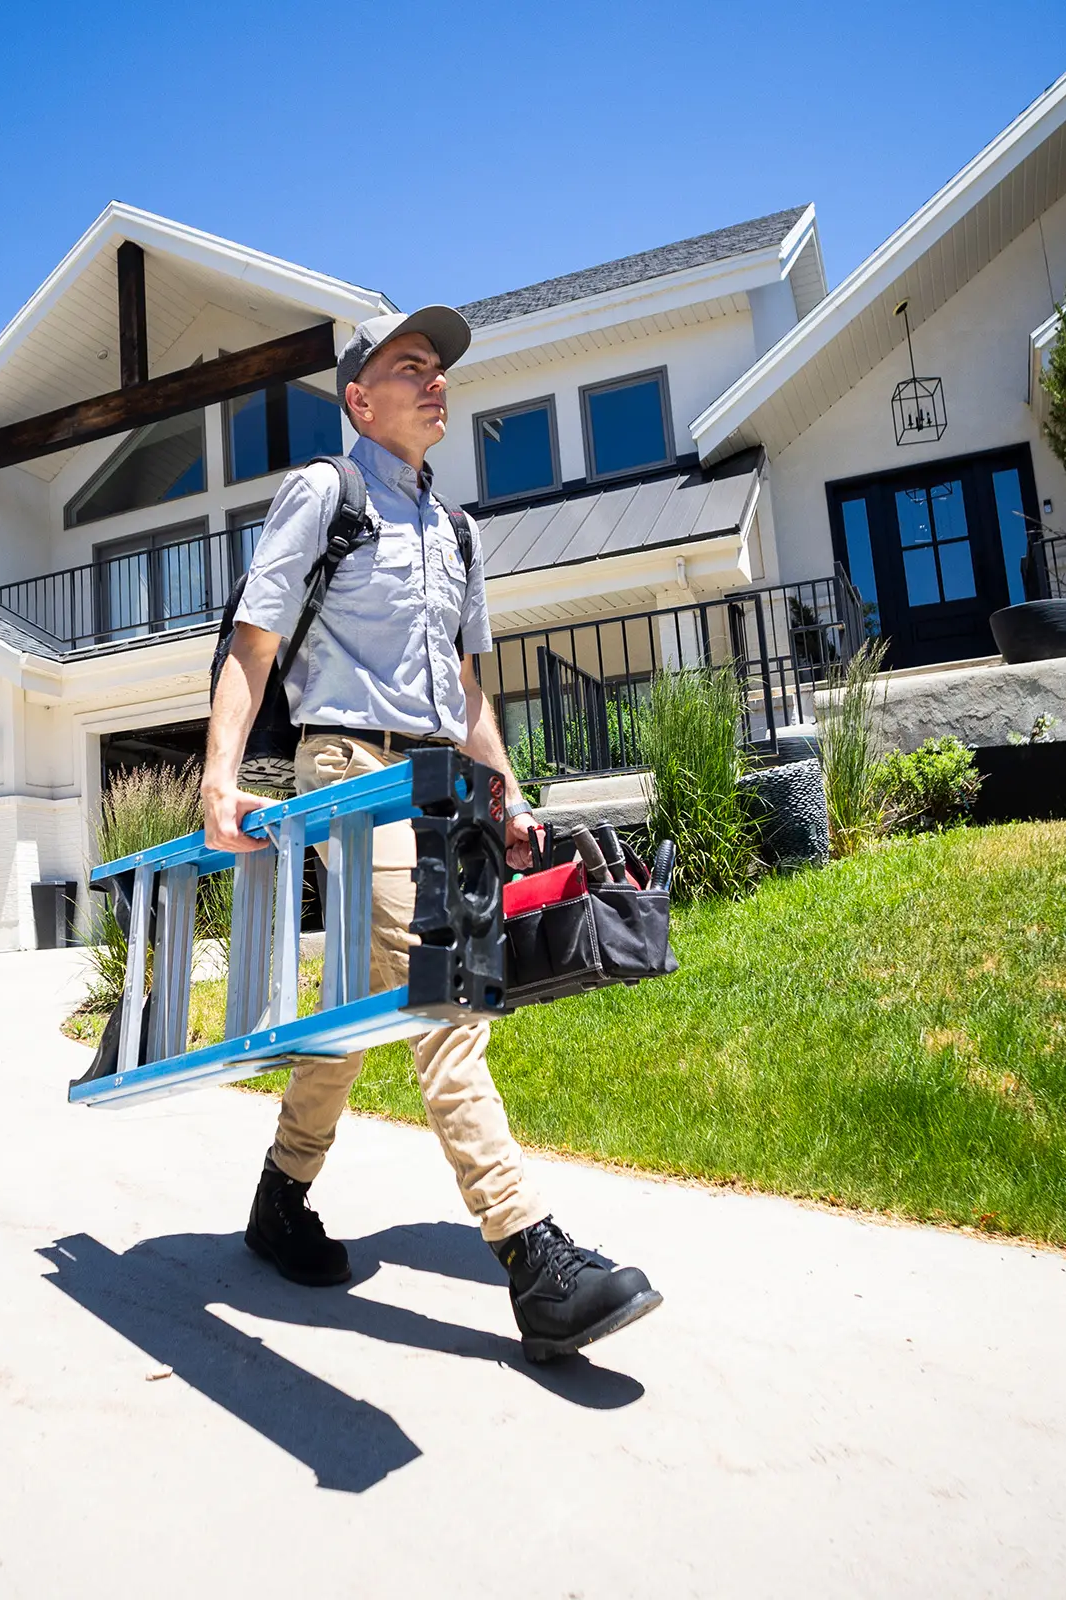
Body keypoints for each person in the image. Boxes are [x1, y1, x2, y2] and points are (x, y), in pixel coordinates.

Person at [202, 306, 662, 1362]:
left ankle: (280, 1197)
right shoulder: (326, 493)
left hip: (438, 773)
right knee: (442, 986)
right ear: (358, 398)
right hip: (345, 762)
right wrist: (217, 779)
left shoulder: (459, 533)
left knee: (365, 1005)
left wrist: (506, 797)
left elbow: (465, 690)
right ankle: (532, 1258)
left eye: (439, 367)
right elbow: (254, 640)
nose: (434, 380)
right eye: (408, 365)